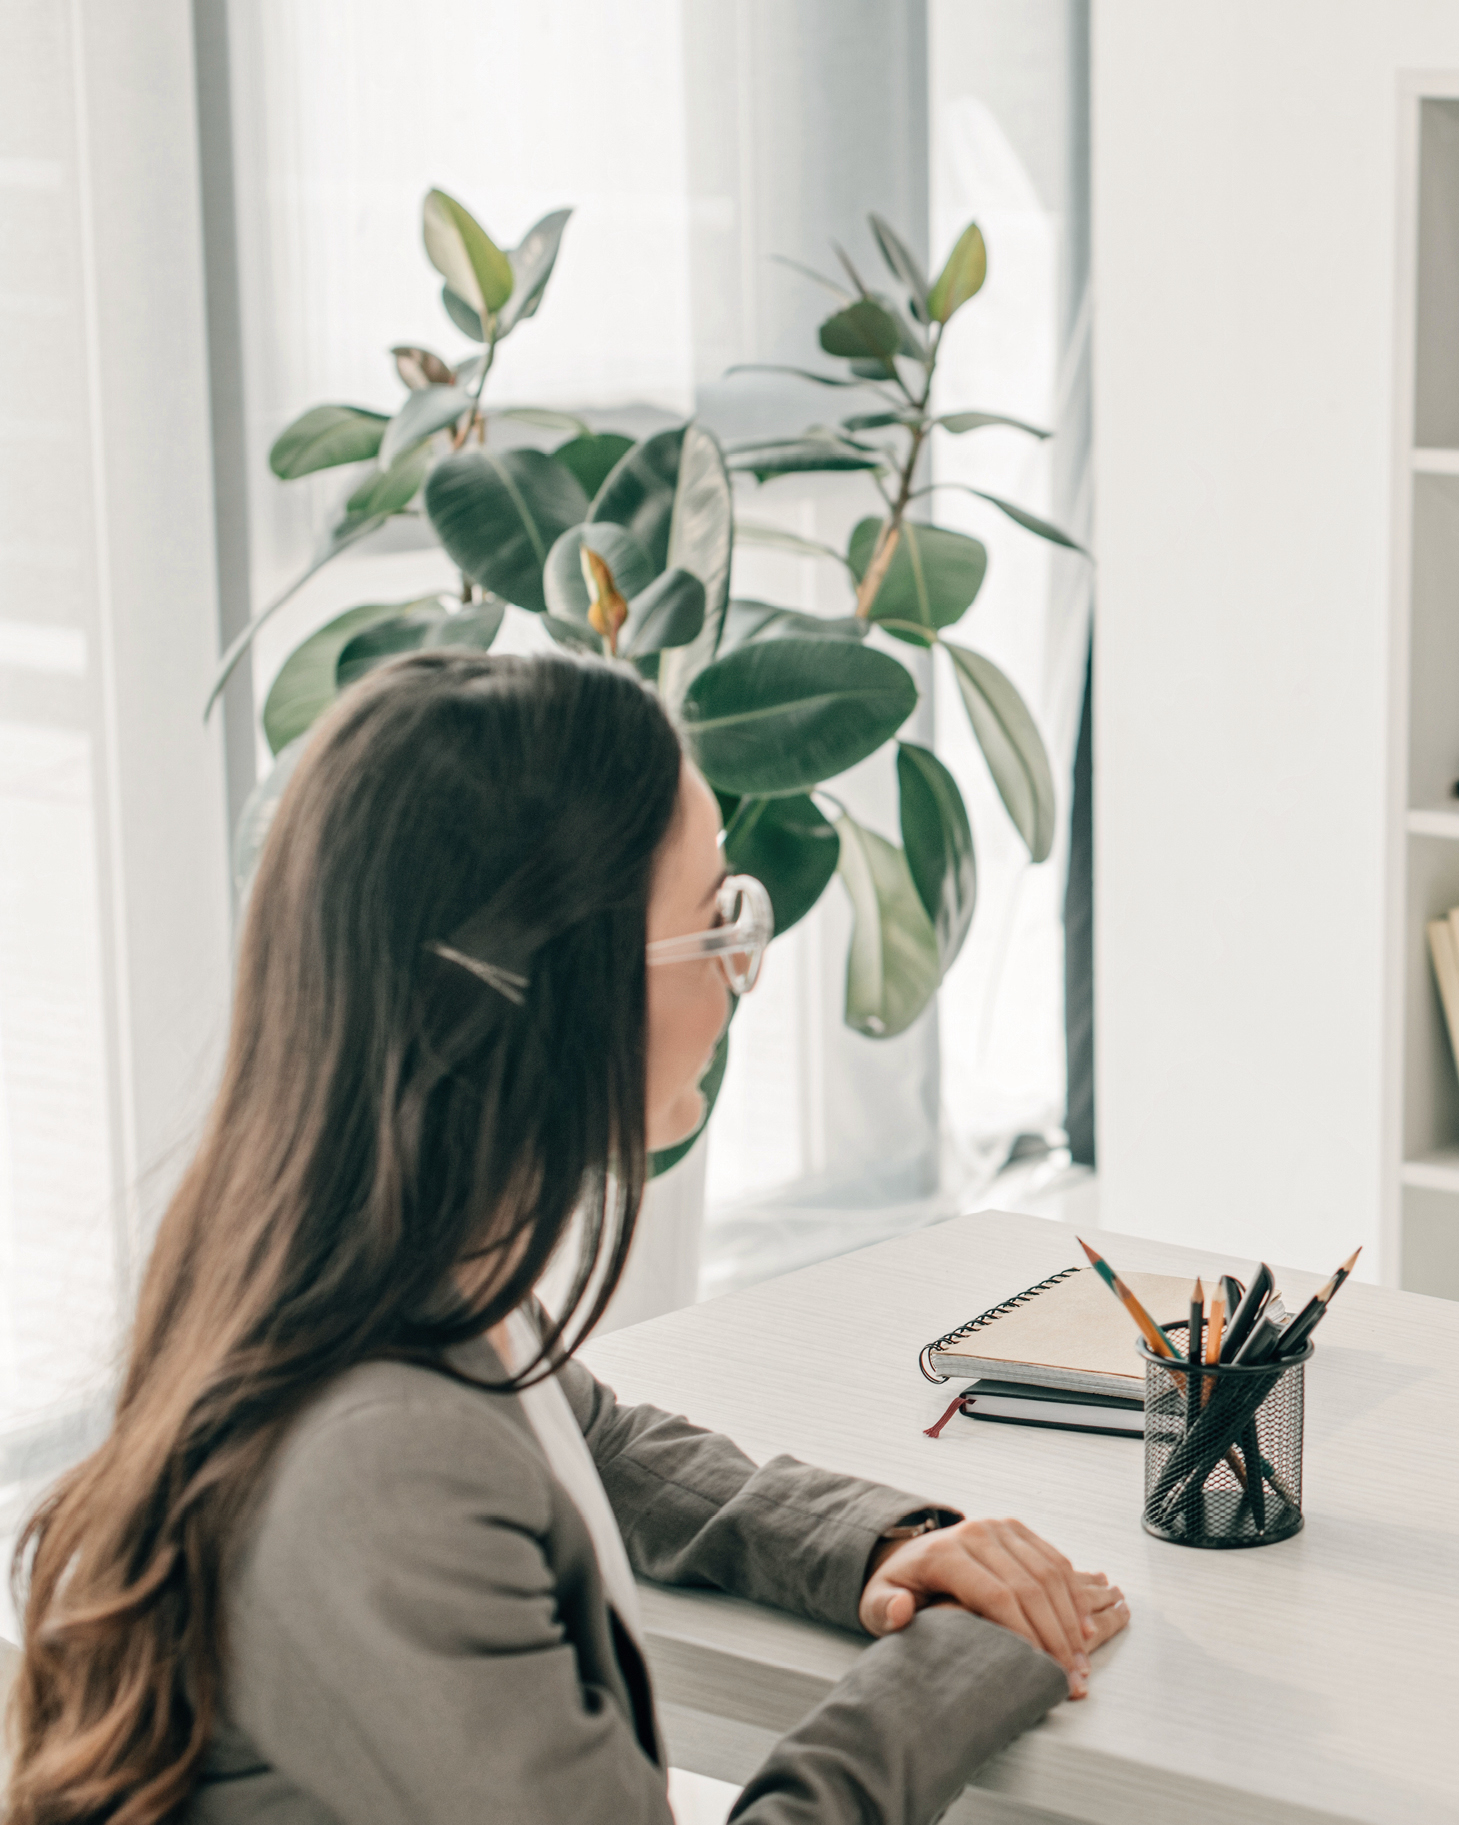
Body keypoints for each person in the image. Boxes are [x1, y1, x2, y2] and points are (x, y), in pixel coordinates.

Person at [8, 652, 1125, 1824]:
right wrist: (950, 1669)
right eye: (714, 921)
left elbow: (596, 1438)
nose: (740, 973)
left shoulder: (389, 1273)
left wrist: (876, 1541)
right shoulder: (380, 1466)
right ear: (543, 992)